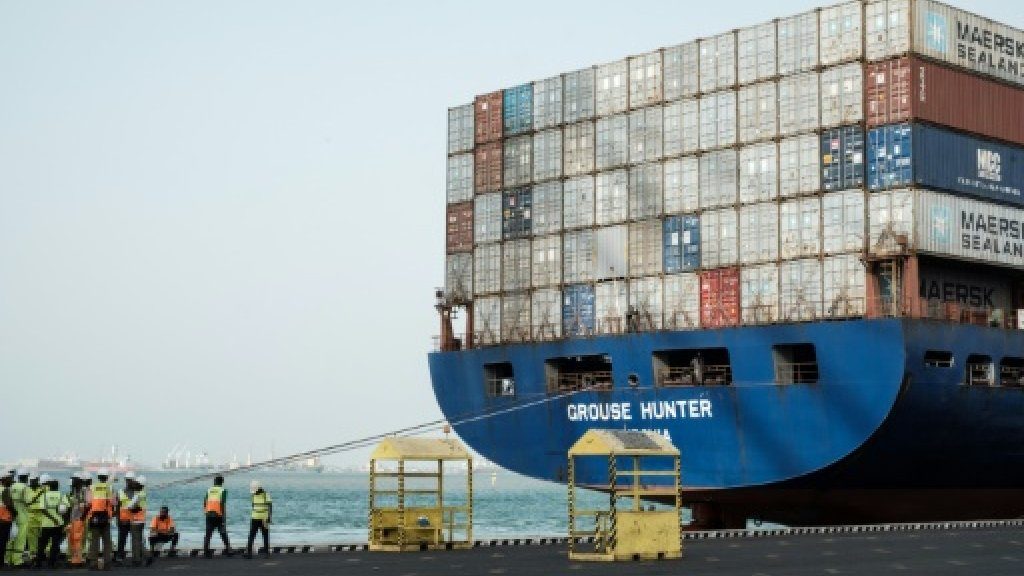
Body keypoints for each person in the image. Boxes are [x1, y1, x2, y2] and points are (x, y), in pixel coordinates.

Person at [35, 475, 69, 569]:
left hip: (46, 524)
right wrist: (61, 520)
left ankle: (38, 563)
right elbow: (65, 509)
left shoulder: (44, 495)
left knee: (42, 544)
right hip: (58, 524)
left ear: (49, 486)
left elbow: (42, 509)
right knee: (55, 544)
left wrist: (51, 518)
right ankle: (52, 563)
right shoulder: (62, 495)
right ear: (58, 486)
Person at [86, 468, 115, 570]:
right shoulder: (109, 487)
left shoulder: (91, 487)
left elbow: (88, 502)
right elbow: (114, 503)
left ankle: (93, 563)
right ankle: (107, 563)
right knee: (107, 542)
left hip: (94, 517)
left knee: (94, 541)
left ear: (98, 477)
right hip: (105, 517)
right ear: (107, 477)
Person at [202, 475, 232, 557]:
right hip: (218, 515)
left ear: (214, 481)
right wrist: (223, 516)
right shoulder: (223, 490)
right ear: (222, 482)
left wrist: (206, 511)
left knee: (208, 533)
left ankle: (205, 551)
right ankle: (228, 550)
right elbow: (222, 503)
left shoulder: (209, 490)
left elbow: (205, 502)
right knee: (223, 532)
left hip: (209, 514)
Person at [5, 470, 27, 568]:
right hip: (21, 515)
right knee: (20, 538)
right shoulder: (24, 487)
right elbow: (28, 501)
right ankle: (17, 560)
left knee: (9, 538)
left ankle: (7, 559)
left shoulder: (10, 487)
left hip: (10, 516)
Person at [245, 480, 272, 559]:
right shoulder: (258, 495)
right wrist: (269, 516)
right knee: (256, 535)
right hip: (258, 518)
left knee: (259, 535)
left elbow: (270, 506)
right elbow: (269, 506)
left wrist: (269, 517)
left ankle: (264, 553)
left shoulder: (264, 495)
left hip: (261, 518)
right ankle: (250, 552)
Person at [125, 476, 148, 567]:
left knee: (135, 541)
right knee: (138, 540)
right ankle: (141, 558)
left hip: (135, 520)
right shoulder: (143, 493)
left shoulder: (138, 495)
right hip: (141, 520)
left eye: (136, 483)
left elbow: (129, 506)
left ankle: (137, 560)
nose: (134, 484)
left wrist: (128, 505)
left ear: (139, 484)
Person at [67, 472, 88, 567]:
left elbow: (87, 505)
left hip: (80, 519)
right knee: (72, 539)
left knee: (78, 540)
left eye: (74, 479)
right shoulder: (74, 491)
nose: (72, 481)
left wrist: (82, 518)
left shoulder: (84, 491)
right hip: (73, 519)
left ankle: (77, 560)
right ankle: (73, 558)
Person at [115, 472, 136, 563]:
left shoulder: (137, 493)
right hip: (123, 520)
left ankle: (136, 557)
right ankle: (120, 556)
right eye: (128, 480)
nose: (129, 482)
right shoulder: (120, 492)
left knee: (135, 540)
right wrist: (118, 519)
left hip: (134, 520)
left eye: (130, 480)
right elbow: (117, 507)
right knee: (122, 540)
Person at [24, 474, 44, 561]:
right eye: (32, 480)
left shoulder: (43, 489)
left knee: (43, 536)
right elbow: (26, 502)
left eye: (35, 480)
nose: (33, 482)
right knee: (31, 537)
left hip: (42, 515)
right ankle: (33, 554)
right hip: (30, 516)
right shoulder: (26, 490)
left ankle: (43, 553)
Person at [0, 471, 15, 570]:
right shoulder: (5, 490)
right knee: (2, 542)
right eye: (9, 478)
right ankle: (1, 563)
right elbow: (8, 505)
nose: (11, 480)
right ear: (4, 479)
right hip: (4, 519)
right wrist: (15, 513)